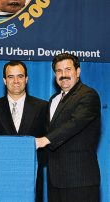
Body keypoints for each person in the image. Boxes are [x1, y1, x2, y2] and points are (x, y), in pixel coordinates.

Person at [36, 53, 101, 202]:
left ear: (78, 72)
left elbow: (75, 123)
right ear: (54, 74)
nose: (63, 75)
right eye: (59, 71)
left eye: (68, 69)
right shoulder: (53, 100)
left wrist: (45, 140)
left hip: (80, 180)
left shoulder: (88, 95)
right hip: (55, 180)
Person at [0, 60, 48, 202]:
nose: (16, 81)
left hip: (32, 174)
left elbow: (47, 139)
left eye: (20, 76)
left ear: (26, 79)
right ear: (4, 81)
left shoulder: (43, 107)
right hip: (1, 175)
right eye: (11, 77)